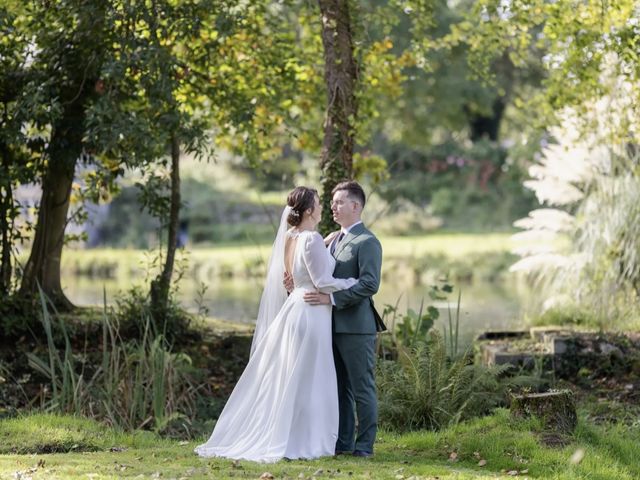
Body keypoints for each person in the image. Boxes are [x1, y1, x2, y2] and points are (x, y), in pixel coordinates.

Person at [194, 186, 357, 463]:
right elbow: (323, 282)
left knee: (293, 375)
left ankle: (290, 431)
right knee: (312, 377)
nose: (322, 208)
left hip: (294, 309)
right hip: (312, 312)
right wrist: (353, 283)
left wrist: (326, 242)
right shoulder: (312, 239)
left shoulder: (291, 237)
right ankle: (306, 438)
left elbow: (294, 275)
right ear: (308, 211)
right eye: (318, 204)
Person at [303, 180, 384, 458]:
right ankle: (344, 443)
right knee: (339, 389)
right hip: (330, 325)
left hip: (357, 327)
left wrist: (332, 299)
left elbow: (370, 284)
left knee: (362, 387)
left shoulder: (368, 241)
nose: (333, 207)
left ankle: (364, 446)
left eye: (339, 202)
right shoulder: (332, 238)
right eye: (332, 202)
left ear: (355, 206)